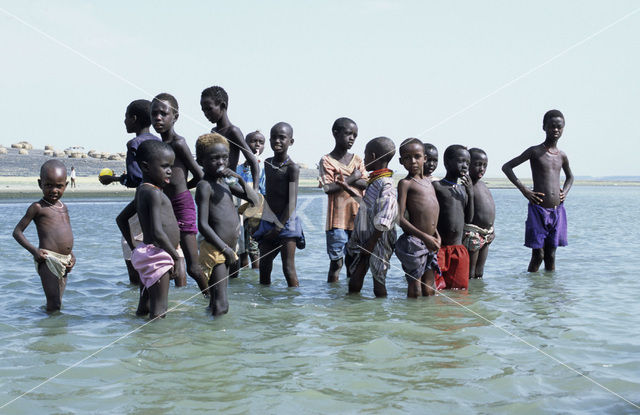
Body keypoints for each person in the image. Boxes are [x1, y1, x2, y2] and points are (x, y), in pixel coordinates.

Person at [150, 93, 209, 292]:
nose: (158, 118)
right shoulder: (156, 147)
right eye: (154, 114)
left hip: (182, 204)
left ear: (175, 117)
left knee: (193, 266)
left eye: (163, 113)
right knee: (165, 260)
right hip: (163, 206)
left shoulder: (178, 143)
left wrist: (183, 187)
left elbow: (200, 174)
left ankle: (210, 299)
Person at [502, 109, 574, 271]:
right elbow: (507, 167)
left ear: (563, 129)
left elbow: (570, 177)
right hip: (538, 210)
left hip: (557, 211)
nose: (555, 130)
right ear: (544, 127)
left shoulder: (562, 156)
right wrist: (525, 191)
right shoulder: (535, 151)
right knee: (538, 255)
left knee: (551, 255)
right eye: (552, 126)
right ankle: (533, 293)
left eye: (559, 127)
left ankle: (549, 293)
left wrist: (565, 192)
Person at [195, 133, 258, 316]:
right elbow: (203, 225)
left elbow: (253, 199)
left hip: (226, 248)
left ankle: (208, 334)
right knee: (222, 305)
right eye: (214, 159)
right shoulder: (205, 186)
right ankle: (219, 339)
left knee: (216, 300)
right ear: (201, 161)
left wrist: (239, 179)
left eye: (224, 158)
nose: (221, 163)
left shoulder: (225, 183)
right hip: (216, 249)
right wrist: (226, 249)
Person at [119, 140, 180, 319]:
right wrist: (176, 257)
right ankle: (157, 343)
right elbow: (157, 232)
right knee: (159, 313)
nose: (170, 170)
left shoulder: (143, 190)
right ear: (146, 167)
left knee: (144, 308)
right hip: (158, 257)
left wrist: (134, 248)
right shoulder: (153, 193)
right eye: (164, 166)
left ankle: (140, 341)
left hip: (148, 254)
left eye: (171, 166)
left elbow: (121, 219)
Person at [106, 99, 161, 285]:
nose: (124, 121)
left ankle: (137, 285)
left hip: (143, 198)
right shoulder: (158, 140)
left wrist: (114, 179)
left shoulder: (134, 143)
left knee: (130, 242)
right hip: (161, 198)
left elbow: (135, 179)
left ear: (134, 119)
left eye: (126, 117)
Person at [13, 160, 75, 312]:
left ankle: (53, 333)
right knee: (53, 304)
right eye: (48, 185)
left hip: (65, 261)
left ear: (65, 185)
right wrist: (35, 251)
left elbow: (65, 233)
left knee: (58, 303)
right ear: (40, 184)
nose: (54, 190)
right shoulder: (38, 207)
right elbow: (17, 232)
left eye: (59, 186)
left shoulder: (63, 207)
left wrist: (72, 255)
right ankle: (50, 330)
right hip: (48, 259)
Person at [252, 122, 305, 287]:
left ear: (291, 141)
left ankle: (292, 308)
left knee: (288, 268)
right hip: (269, 220)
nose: (277, 141)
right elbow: (266, 193)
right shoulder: (267, 163)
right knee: (264, 266)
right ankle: (264, 306)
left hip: (286, 221)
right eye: (274, 137)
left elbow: (292, 201)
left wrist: (279, 227)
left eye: (282, 138)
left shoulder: (292, 168)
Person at [346, 136, 398, 297]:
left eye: (366, 155)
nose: (364, 159)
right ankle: (354, 312)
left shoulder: (386, 184)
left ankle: (380, 314)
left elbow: (385, 216)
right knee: (356, 274)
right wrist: (346, 188)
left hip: (378, 240)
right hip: (366, 239)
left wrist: (372, 242)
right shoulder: (375, 181)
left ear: (374, 157)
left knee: (378, 278)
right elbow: (367, 206)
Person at [318, 117, 367, 283]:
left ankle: (350, 300)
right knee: (336, 262)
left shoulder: (358, 159)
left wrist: (344, 180)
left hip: (358, 219)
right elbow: (328, 188)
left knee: (353, 261)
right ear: (335, 133)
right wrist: (353, 177)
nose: (352, 138)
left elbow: (366, 182)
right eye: (348, 134)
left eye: (355, 135)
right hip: (336, 221)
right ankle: (333, 295)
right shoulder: (326, 160)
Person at [394, 138, 441, 297]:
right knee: (415, 286)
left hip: (430, 241)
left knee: (429, 286)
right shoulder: (405, 184)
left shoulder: (429, 183)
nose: (413, 161)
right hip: (414, 242)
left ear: (425, 158)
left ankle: (426, 319)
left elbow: (433, 213)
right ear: (401, 161)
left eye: (417, 156)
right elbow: (399, 218)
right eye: (407, 158)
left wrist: (436, 236)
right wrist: (425, 237)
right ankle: (412, 319)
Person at [200, 86, 260, 190]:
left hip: (229, 184)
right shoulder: (213, 131)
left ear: (222, 106)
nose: (206, 113)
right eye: (203, 110)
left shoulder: (233, 131)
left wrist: (255, 190)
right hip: (215, 184)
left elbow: (253, 161)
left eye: (209, 109)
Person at [432, 145, 474, 290]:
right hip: (440, 248)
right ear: (447, 162)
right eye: (461, 161)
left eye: (468, 163)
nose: (465, 166)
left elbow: (469, 218)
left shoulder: (463, 190)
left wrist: (470, 193)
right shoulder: (437, 187)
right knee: (436, 289)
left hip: (458, 248)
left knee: (459, 290)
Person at [236, 130, 266, 269]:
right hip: (238, 214)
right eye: (253, 141)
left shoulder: (263, 170)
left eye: (261, 142)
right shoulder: (238, 169)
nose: (257, 145)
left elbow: (264, 193)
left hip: (255, 215)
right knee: (241, 250)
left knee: (255, 251)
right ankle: (243, 284)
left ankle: (256, 280)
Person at [463, 148, 495, 278]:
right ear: (468, 164)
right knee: (470, 273)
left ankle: (478, 295)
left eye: (484, 165)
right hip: (472, 234)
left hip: (486, 234)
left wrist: (492, 229)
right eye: (477, 164)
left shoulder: (482, 185)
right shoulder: (465, 185)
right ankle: (468, 297)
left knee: (479, 272)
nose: (482, 168)